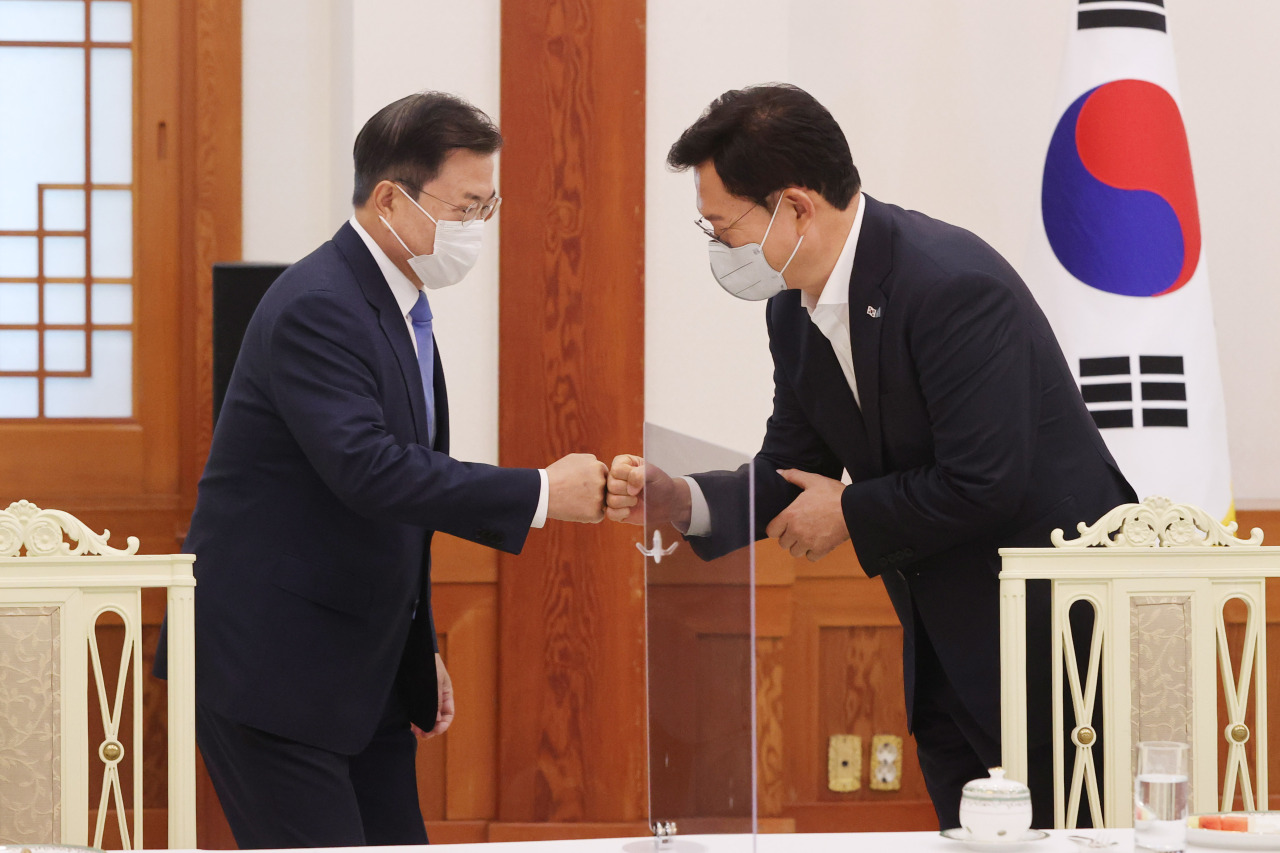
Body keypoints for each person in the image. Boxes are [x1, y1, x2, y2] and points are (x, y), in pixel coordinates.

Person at [606, 83, 1135, 830]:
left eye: (723, 226)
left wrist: (849, 511)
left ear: (794, 207)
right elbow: (790, 468)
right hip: (946, 643)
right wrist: (683, 499)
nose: (720, 247)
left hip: (1054, 648)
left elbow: (984, 479)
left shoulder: (950, 283)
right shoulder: (792, 309)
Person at [162, 91, 608, 848]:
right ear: (391, 199)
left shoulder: (398, 302)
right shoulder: (319, 303)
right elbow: (370, 471)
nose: (477, 227)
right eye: (466, 206)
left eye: (488, 204)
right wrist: (538, 490)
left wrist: (418, 647)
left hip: (357, 669)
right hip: (273, 666)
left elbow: (401, 501)